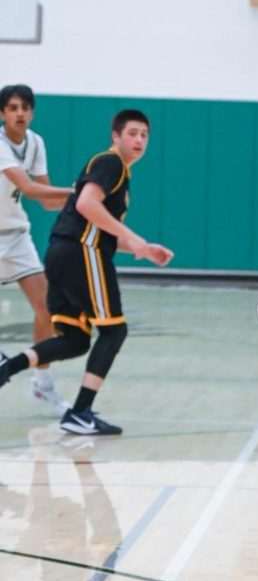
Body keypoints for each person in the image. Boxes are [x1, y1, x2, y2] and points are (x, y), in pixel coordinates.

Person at [0, 110, 173, 434]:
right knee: (114, 330)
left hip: (63, 253)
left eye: (144, 135)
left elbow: (97, 226)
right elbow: (85, 206)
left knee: (76, 339)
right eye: (132, 133)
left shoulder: (114, 171)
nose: (138, 140)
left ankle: (8, 366)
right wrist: (136, 239)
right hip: (81, 253)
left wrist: (142, 248)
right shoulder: (110, 164)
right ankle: (80, 412)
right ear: (116, 136)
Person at [0, 84, 73, 413]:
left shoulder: (35, 142)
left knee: (48, 307)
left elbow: (44, 199)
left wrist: (87, 207)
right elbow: (27, 188)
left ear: (32, 112)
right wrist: (80, 192)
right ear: (2, 113)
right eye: (12, 107)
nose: (19, 113)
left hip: (15, 234)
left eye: (25, 107)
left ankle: (43, 387)